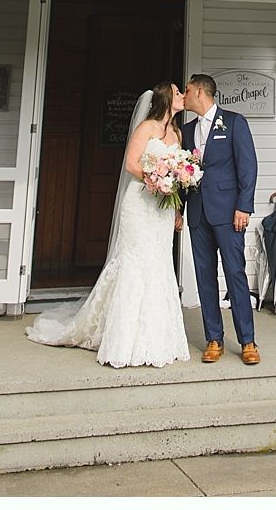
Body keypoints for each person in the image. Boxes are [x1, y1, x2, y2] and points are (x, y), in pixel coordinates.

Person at [25, 81, 191, 369]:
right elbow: (131, 164)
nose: (182, 96)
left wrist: (176, 208)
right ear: (166, 98)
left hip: (162, 211)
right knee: (134, 265)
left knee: (159, 265)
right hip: (140, 204)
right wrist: (156, 179)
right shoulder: (147, 128)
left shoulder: (177, 132)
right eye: (178, 92)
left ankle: (158, 338)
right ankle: (124, 339)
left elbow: (178, 175)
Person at [179, 73, 260, 365]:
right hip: (198, 213)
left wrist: (243, 207)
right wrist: (179, 209)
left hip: (229, 214)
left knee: (235, 274)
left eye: (187, 90)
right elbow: (183, 174)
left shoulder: (235, 122)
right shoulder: (186, 131)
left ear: (200, 92)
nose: (184, 95)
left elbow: (248, 167)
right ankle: (213, 338)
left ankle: (247, 341)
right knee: (205, 277)